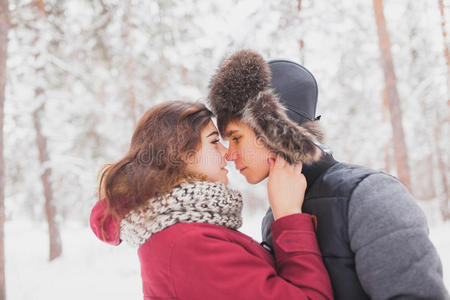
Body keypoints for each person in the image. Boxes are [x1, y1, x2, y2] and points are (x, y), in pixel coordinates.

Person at [208, 49, 449, 300]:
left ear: (275, 131)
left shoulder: (371, 196)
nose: (229, 154)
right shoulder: (277, 215)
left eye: (236, 138)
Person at [90, 101, 334, 300]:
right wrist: (289, 216)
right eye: (214, 142)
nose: (226, 154)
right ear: (178, 154)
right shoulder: (188, 244)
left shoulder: (182, 232)